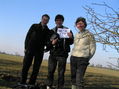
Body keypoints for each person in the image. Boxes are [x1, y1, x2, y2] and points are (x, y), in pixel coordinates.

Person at [20, 14, 51, 85]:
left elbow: (48, 41)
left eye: (46, 20)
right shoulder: (34, 26)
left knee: (36, 69)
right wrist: (26, 47)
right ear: (41, 19)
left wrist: (47, 49)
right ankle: (22, 83)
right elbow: (28, 36)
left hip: (40, 51)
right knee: (26, 66)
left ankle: (31, 84)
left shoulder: (48, 31)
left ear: (48, 21)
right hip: (30, 49)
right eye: (44, 19)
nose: (45, 21)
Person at [46, 14, 74, 89]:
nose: (59, 21)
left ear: (62, 21)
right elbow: (48, 43)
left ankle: (60, 87)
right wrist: (52, 43)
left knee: (61, 73)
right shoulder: (51, 31)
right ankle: (49, 85)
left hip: (62, 55)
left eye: (60, 20)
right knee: (50, 71)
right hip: (53, 54)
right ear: (55, 21)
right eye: (57, 20)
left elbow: (71, 42)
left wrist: (71, 37)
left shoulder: (67, 30)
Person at [70, 17, 96, 89]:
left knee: (79, 80)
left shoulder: (89, 35)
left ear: (85, 24)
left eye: (81, 23)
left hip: (83, 59)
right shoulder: (76, 35)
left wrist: (87, 57)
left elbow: (93, 48)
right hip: (73, 58)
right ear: (76, 25)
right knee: (73, 78)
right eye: (78, 24)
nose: (80, 25)